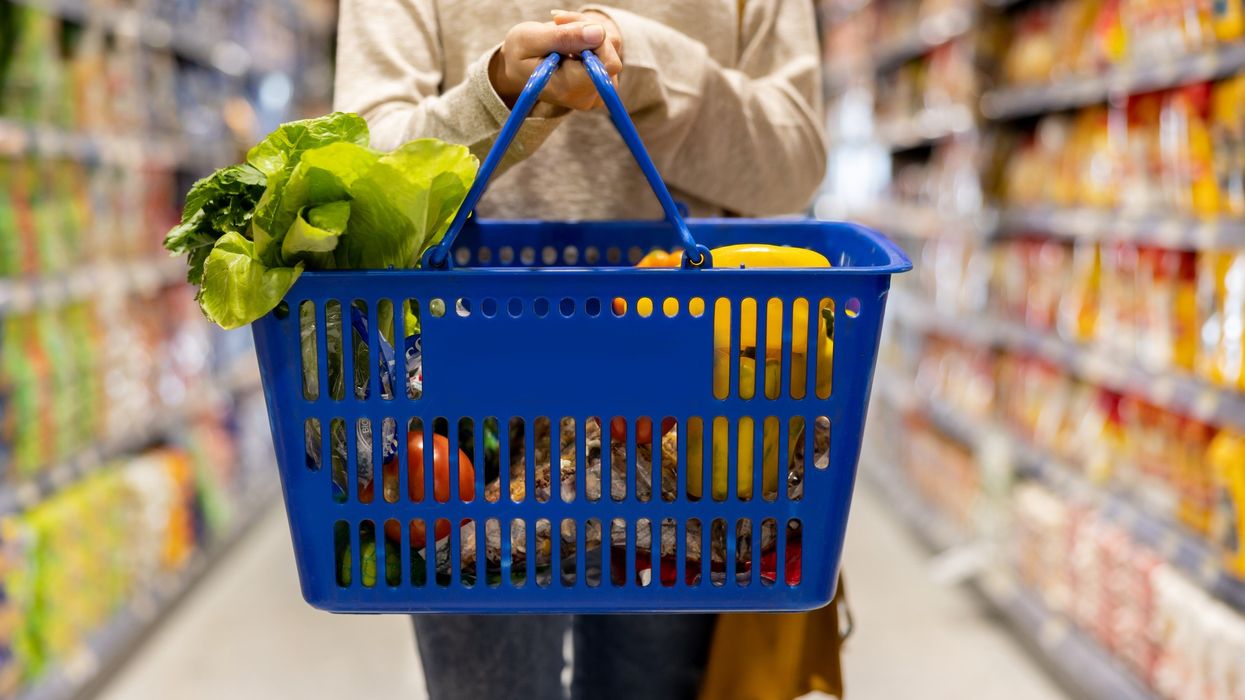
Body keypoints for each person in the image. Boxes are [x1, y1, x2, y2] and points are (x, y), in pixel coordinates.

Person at [334, 3, 827, 698]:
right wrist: (496, 96)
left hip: (688, 411)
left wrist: (646, 68)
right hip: (464, 402)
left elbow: (794, 167)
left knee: (656, 686)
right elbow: (357, 177)